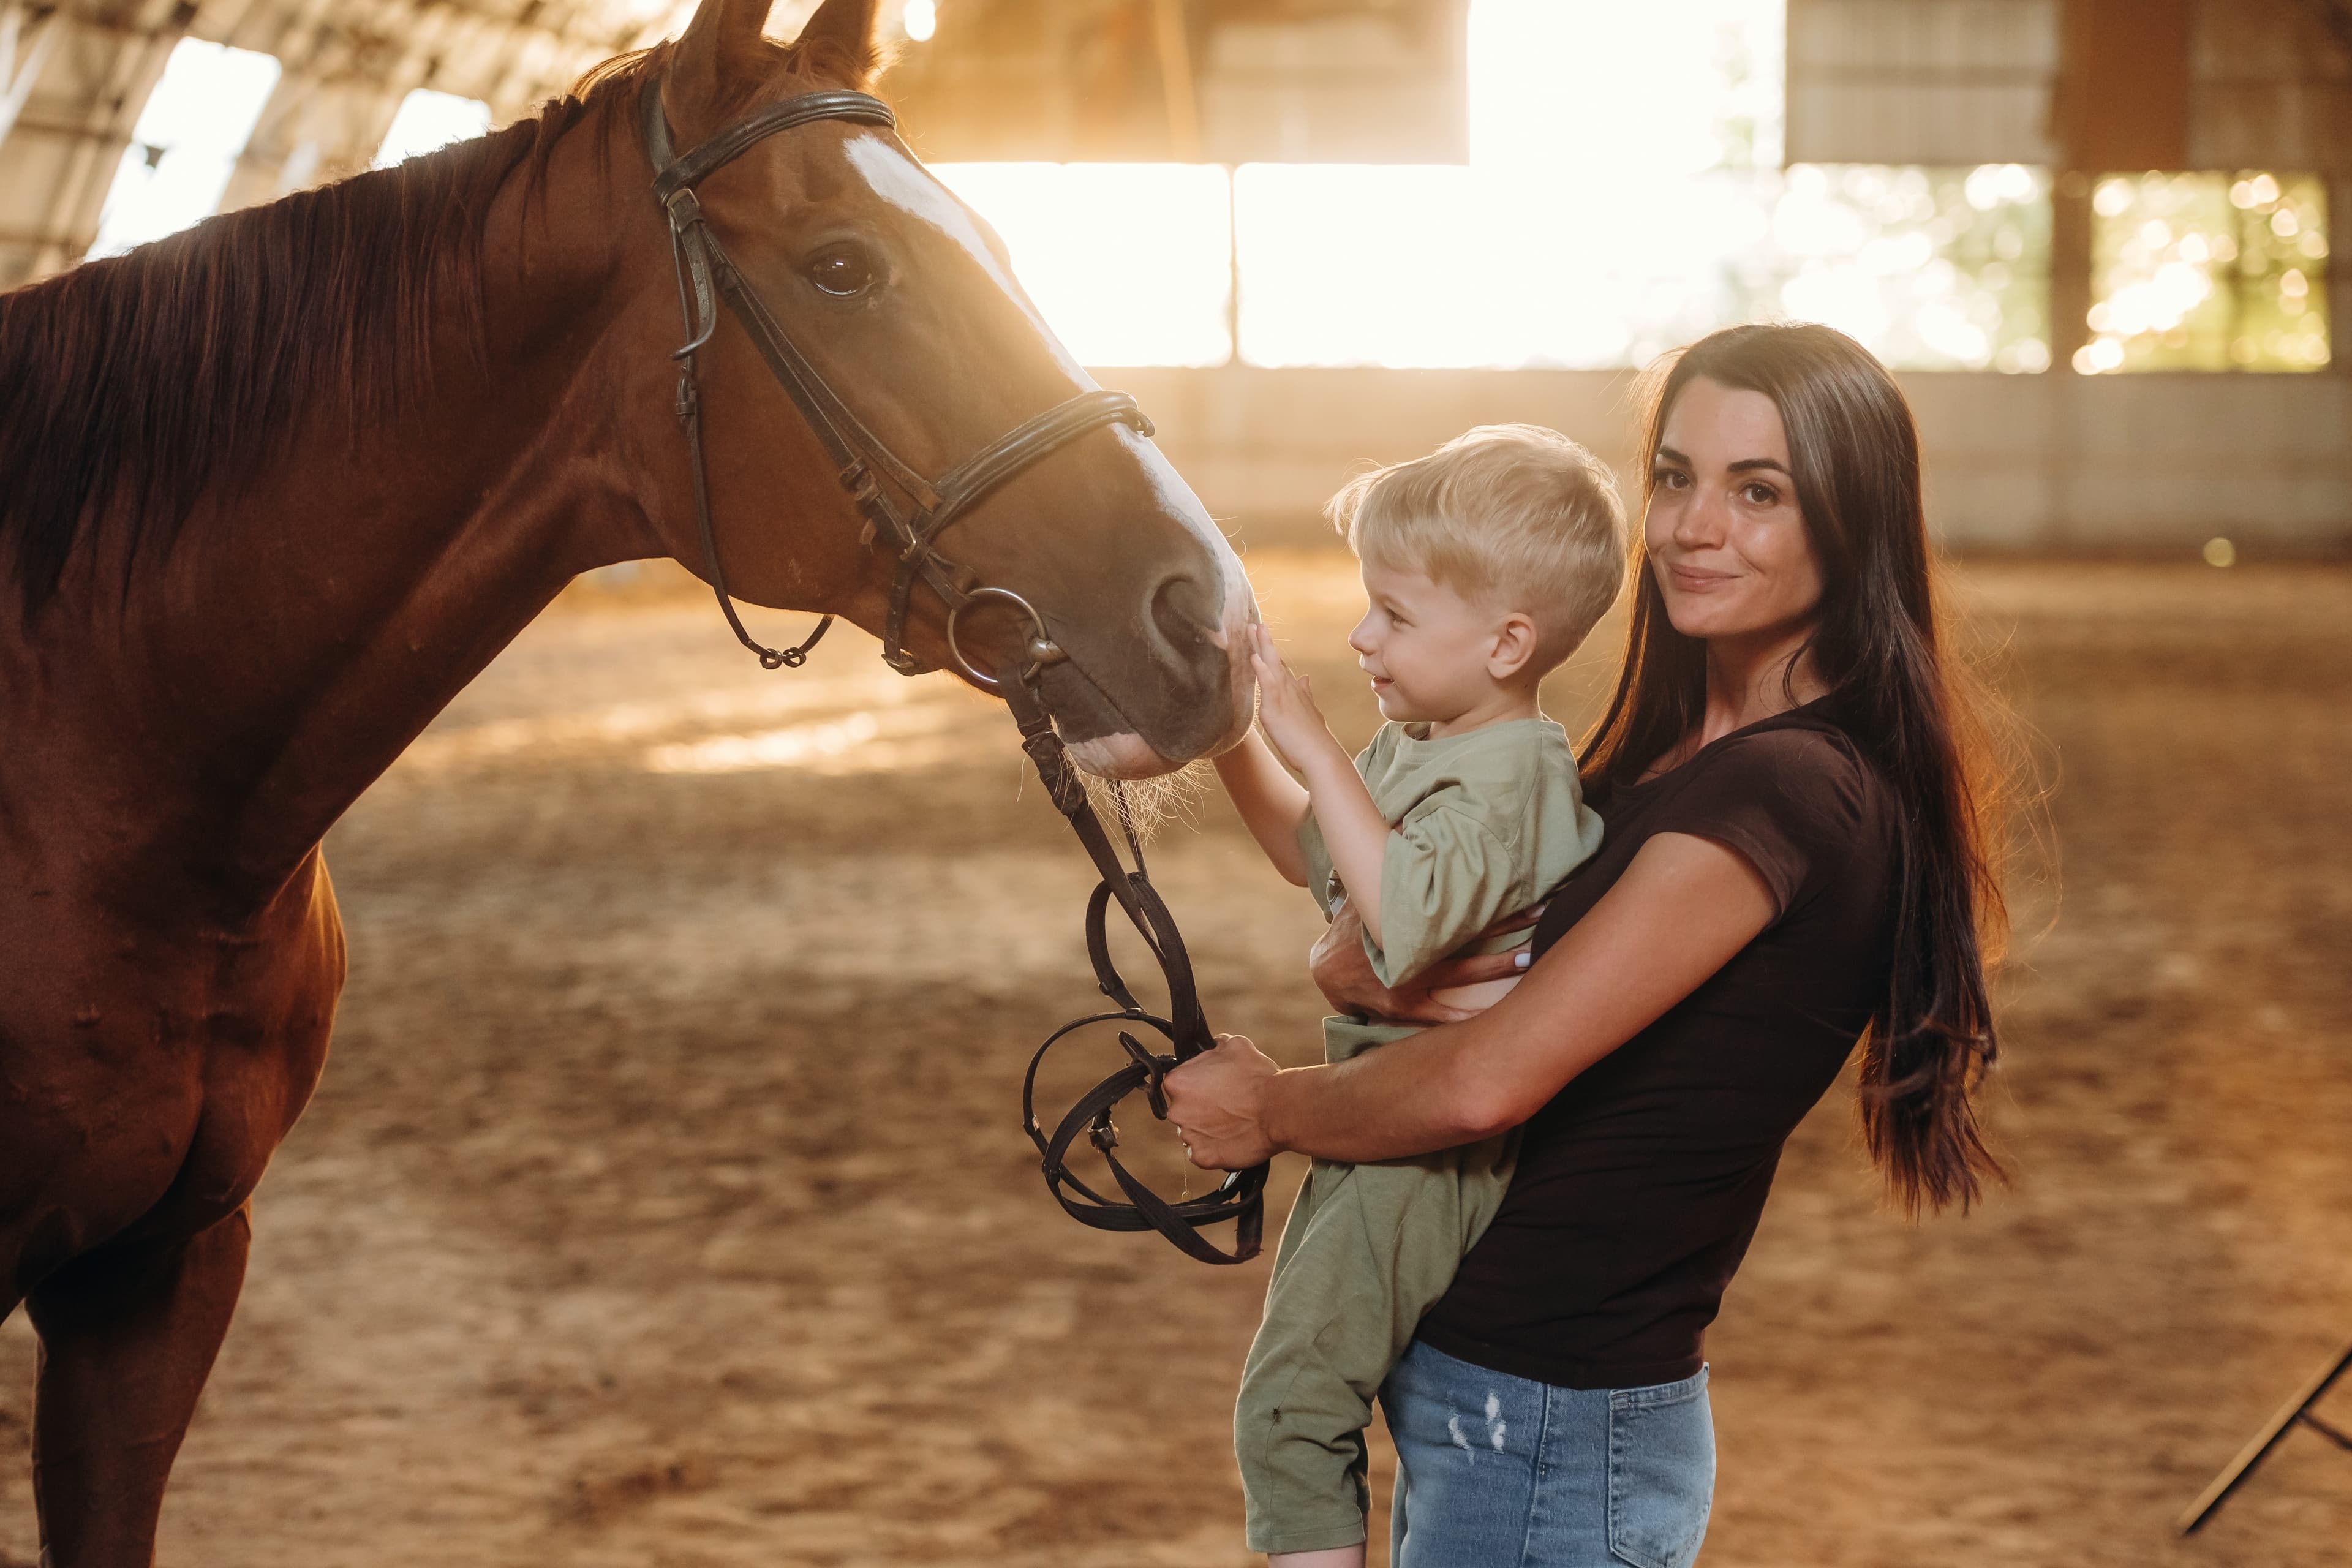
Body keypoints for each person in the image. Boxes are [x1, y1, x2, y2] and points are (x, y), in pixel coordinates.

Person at [1169, 322, 2009, 1568]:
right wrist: (1214, 715)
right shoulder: (1654, 756)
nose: (1691, 526)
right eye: (1674, 476)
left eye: (1758, 490)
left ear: (1852, 519)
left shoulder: (1787, 792)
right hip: (1489, 1394)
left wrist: (1274, 1108)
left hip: (1552, 1420)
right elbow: (1396, 909)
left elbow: (1487, 1077)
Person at [1213, 426, 1626, 1567]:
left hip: (1430, 1154)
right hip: (1376, 1113)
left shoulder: (1514, 778)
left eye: (1393, 615)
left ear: (1507, 642)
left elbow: (1403, 926)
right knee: (1293, 1394)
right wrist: (1223, 731)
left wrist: (1310, 737)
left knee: (1292, 1407)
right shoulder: (1432, 740)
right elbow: (1315, 857)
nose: (1360, 638)